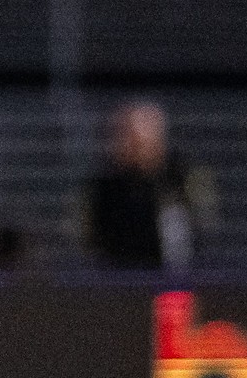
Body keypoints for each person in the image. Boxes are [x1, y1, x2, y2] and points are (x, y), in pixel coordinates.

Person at [83, 101, 215, 270]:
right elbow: (91, 237)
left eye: (137, 139)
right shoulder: (105, 187)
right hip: (119, 274)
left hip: (174, 274)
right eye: (123, 135)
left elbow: (201, 224)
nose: (127, 143)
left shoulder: (180, 177)